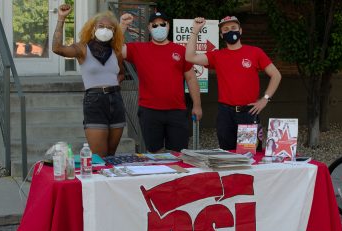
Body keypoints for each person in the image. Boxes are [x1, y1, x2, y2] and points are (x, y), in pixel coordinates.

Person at [186, 16, 282, 150]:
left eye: (233, 28)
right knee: (227, 154)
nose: (230, 31)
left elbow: (276, 75)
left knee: (249, 155)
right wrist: (195, 30)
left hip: (248, 112)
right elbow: (189, 57)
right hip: (225, 114)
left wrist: (265, 99)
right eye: (225, 29)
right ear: (221, 35)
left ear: (240, 31)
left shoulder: (255, 52)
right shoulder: (217, 56)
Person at [119, 12, 202, 153]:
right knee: (154, 154)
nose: (159, 27)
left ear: (168, 26)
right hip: (149, 111)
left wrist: (197, 105)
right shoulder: (138, 49)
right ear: (149, 28)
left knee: (179, 153)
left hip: (177, 110)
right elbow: (117, 49)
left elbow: (191, 78)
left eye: (162, 24)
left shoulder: (181, 50)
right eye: (155, 25)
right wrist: (122, 26)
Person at [52, 4, 126, 157]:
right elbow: (57, 48)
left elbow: (121, 73)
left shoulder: (116, 51)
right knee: (100, 156)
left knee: (111, 155)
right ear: (93, 28)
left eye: (110, 27)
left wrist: (113, 87)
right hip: (95, 100)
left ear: (114, 31)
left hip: (116, 100)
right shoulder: (83, 49)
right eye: (101, 26)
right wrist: (61, 19)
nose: (105, 30)